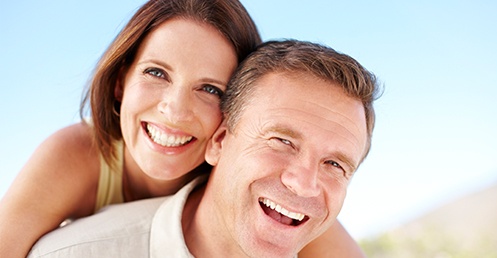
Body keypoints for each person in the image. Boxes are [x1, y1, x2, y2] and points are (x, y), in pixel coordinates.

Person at [0, 0, 364, 257]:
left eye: (209, 89)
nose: (174, 111)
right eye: (156, 72)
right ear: (120, 82)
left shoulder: (264, 185)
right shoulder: (75, 154)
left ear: (233, 119)